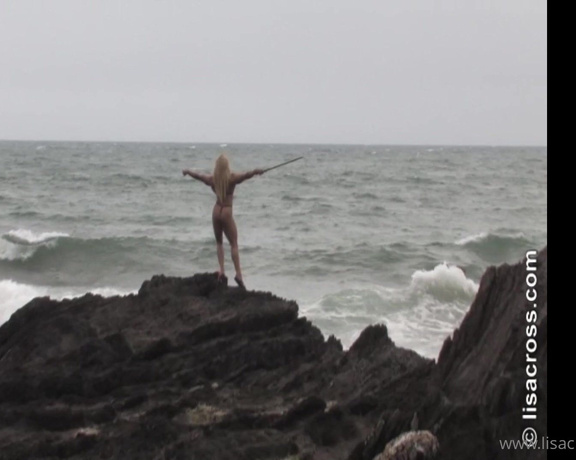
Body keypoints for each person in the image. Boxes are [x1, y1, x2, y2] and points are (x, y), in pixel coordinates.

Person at [182, 154, 263, 289]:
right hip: (226, 210)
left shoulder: (213, 180)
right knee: (234, 244)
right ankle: (238, 275)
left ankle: (222, 271)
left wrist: (188, 172)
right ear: (227, 167)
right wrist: (256, 172)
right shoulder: (231, 179)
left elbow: (199, 176)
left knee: (219, 242)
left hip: (216, 210)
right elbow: (246, 175)